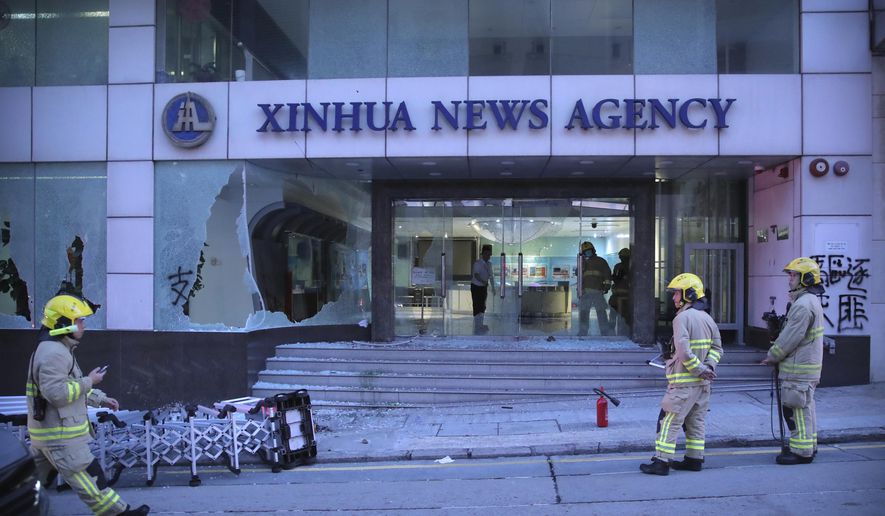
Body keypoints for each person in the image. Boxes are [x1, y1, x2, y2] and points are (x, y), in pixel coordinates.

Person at [26, 294, 150, 515]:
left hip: (51, 435)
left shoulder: (58, 349)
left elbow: (71, 387)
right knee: (89, 478)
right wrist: (90, 381)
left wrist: (100, 398)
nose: (83, 325)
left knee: (26, 487)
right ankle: (119, 512)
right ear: (63, 323)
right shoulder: (54, 353)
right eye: (79, 320)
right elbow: (57, 393)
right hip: (60, 437)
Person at [640, 273, 723, 476]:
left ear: (688, 294)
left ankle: (661, 461)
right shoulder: (707, 318)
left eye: (677, 293)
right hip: (702, 386)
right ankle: (694, 459)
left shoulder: (681, 318)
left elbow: (684, 351)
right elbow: (717, 348)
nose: (674, 298)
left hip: (683, 383)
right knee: (696, 421)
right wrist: (709, 367)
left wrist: (699, 370)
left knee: (668, 419)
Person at [761, 257, 825, 465]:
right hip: (806, 368)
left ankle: (801, 452)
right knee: (805, 408)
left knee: (794, 408)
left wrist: (772, 356)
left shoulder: (803, 305)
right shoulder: (809, 302)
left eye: (793, 275)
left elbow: (789, 339)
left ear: (805, 279)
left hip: (798, 369)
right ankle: (809, 445)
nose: (789, 279)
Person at [577, 241, 612, 336]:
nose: (588, 252)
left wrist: (607, 285)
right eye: (585, 251)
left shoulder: (601, 261)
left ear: (593, 250)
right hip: (585, 292)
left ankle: (604, 332)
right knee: (584, 313)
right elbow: (578, 274)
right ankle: (583, 332)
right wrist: (581, 261)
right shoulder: (582, 262)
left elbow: (607, 274)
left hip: (597, 290)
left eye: (589, 250)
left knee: (601, 312)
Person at [471, 244, 495, 335]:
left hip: (483, 287)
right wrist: (483, 281)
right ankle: (477, 326)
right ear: (483, 253)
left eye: (490, 254)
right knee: (477, 306)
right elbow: (476, 275)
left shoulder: (489, 264)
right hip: (476, 287)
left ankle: (480, 325)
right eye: (488, 254)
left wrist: (493, 287)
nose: (489, 256)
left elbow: (491, 276)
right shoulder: (478, 263)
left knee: (482, 306)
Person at [608, 248, 631, 335]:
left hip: (618, 295)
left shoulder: (619, 266)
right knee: (625, 315)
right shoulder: (633, 267)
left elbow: (616, 279)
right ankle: (626, 331)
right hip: (629, 296)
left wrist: (613, 277)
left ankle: (611, 329)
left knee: (613, 311)